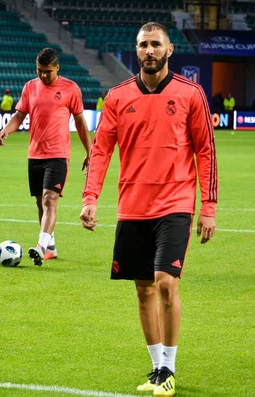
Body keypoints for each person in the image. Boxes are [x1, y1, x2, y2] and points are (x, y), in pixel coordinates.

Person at [79, 22, 217, 397]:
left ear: (170, 50)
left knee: (166, 284)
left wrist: (209, 206)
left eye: (156, 44)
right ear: (136, 50)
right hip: (132, 206)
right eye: (143, 45)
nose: (150, 51)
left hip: (175, 204)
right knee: (143, 290)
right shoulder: (118, 96)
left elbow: (205, 151)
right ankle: (157, 367)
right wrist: (90, 197)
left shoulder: (192, 94)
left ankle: (169, 368)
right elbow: (102, 150)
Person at [0, 48, 92, 265]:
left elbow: (80, 123)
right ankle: (51, 247)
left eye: (47, 71)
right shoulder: (30, 87)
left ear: (57, 67)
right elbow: (19, 115)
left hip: (58, 155)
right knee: (40, 202)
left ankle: (40, 246)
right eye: (40, 71)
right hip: (35, 155)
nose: (43, 75)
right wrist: (6, 130)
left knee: (50, 199)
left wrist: (89, 151)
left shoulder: (70, 89)